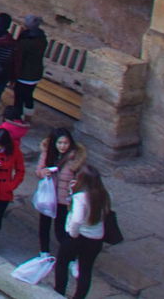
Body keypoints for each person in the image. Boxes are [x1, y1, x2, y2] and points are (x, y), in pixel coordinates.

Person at [53, 164, 110, 298]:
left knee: (62, 263)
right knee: (85, 270)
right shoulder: (104, 195)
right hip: (95, 238)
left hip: (78, 237)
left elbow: (77, 219)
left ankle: (58, 293)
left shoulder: (81, 198)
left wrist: (72, 234)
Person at [36, 127, 86, 258]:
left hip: (64, 199)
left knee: (62, 229)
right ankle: (44, 252)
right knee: (44, 225)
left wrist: (75, 185)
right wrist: (43, 172)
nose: (63, 146)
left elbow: (81, 177)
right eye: (60, 143)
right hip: (48, 197)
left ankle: (68, 255)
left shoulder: (76, 158)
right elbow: (39, 170)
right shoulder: (47, 154)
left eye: (65, 143)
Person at [14, 14, 48, 115]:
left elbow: (18, 53)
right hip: (36, 73)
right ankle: (28, 116)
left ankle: (17, 116)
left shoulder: (26, 43)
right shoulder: (42, 38)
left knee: (19, 96)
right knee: (28, 95)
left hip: (24, 74)